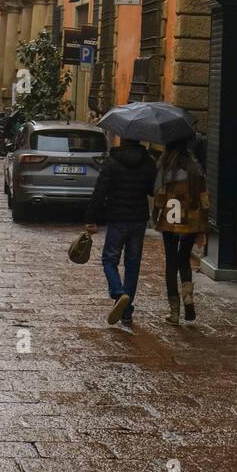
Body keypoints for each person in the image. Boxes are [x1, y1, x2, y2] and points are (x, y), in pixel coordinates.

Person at [86, 136, 157, 330]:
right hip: (139, 219)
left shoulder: (111, 162)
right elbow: (152, 190)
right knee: (132, 264)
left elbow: (100, 192)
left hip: (117, 218)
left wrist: (91, 218)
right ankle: (126, 311)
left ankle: (118, 293)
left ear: (122, 140)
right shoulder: (148, 162)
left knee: (109, 260)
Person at [153, 140, 209, 325]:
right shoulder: (196, 171)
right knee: (184, 259)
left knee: (171, 262)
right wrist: (204, 225)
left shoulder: (166, 170)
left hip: (171, 218)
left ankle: (174, 312)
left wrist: (155, 214)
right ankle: (188, 297)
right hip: (191, 220)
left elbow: (160, 196)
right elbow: (204, 199)